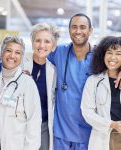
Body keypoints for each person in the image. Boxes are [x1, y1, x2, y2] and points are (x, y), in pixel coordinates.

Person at [48, 13, 121, 150]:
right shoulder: (59, 52)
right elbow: (39, 56)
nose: (78, 31)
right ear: (69, 30)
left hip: (90, 133)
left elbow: (115, 63)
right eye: (74, 27)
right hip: (62, 132)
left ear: (90, 30)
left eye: (83, 27)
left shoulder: (99, 56)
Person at [0, 36, 42, 150]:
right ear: (1, 54)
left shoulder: (27, 83)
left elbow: (34, 122)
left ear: (21, 57)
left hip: (15, 144)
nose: (12, 56)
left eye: (17, 52)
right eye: (8, 50)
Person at [23, 23, 59, 150]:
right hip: (20, 124)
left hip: (43, 126)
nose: (42, 45)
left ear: (53, 46)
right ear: (32, 43)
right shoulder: (20, 63)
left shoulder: (54, 71)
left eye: (47, 42)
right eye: (38, 40)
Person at [81, 36, 121, 150]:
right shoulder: (93, 81)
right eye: (109, 52)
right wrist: (112, 124)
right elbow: (87, 111)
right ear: (102, 55)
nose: (113, 57)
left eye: (118, 53)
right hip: (103, 135)